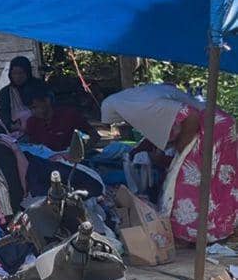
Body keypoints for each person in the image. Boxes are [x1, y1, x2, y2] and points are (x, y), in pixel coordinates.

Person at [102, 85, 237, 243]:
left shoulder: (144, 104)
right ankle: (211, 229)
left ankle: (194, 233)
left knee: (188, 181)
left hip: (213, 129)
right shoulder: (139, 98)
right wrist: (137, 151)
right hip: (215, 126)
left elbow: (191, 117)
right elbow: (159, 130)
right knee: (212, 183)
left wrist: (181, 147)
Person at [23, 90, 99, 151]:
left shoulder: (69, 115)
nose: (33, 112)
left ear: (47, 101)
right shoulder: (32, 122)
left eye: (35, 107)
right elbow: (32, 145)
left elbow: (94, 135)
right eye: (30, 109)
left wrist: (80, 152)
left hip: (69, 160)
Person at [0, 56, 50, 133]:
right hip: (17, 131)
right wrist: (12, 126)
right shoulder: (6, 92)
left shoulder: (38, 86)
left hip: (41, 127)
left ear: (27, 72)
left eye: (21, 73)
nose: (17, 77)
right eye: (14, 73)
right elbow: (4, 115)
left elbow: (46, 109)